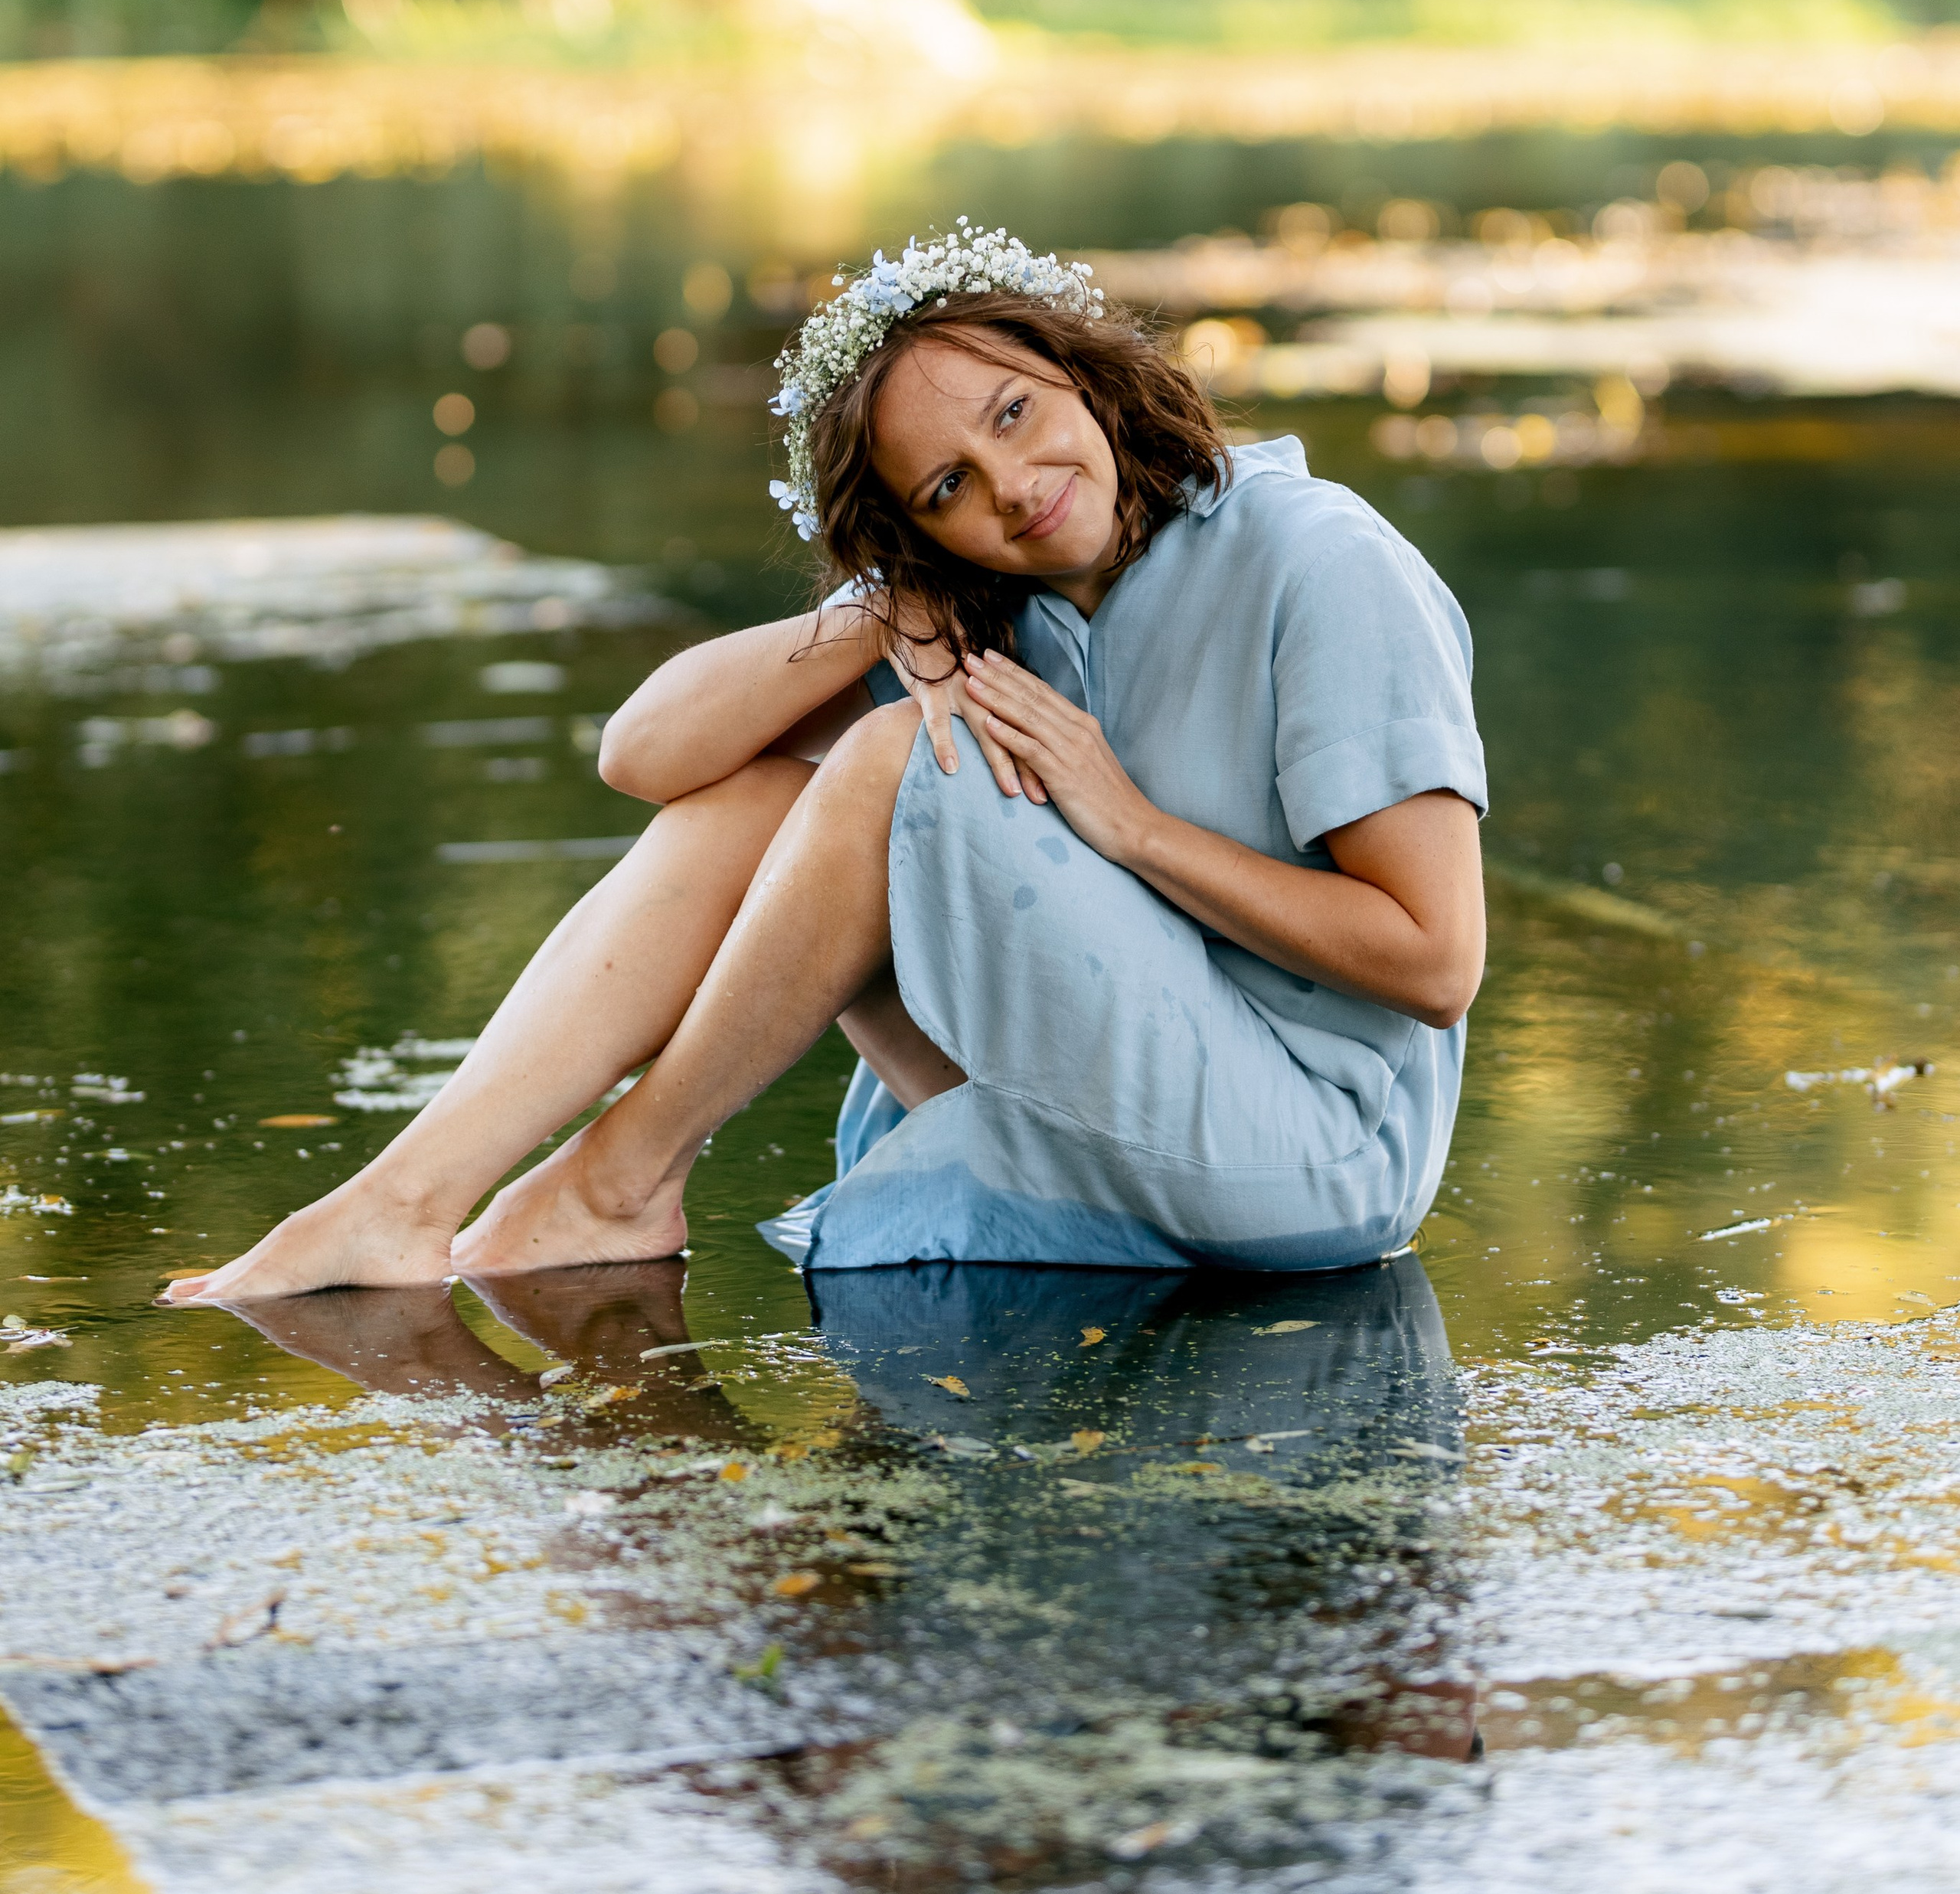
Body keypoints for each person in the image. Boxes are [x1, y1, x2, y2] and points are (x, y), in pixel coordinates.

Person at [165, 221, 1486, 1304]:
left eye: (1017, 414)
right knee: (763, 784)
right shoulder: (987, 598)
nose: (1014, 486)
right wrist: (876, 607)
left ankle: (621, 1179)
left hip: (1315, 1151)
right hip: (1100, 1081)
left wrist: (1130, 825)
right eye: (948, 489)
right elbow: (647, 755)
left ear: (1081, 371)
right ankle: (404, 1198)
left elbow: (1436, 963)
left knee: (888, 757)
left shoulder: (1320, 564)